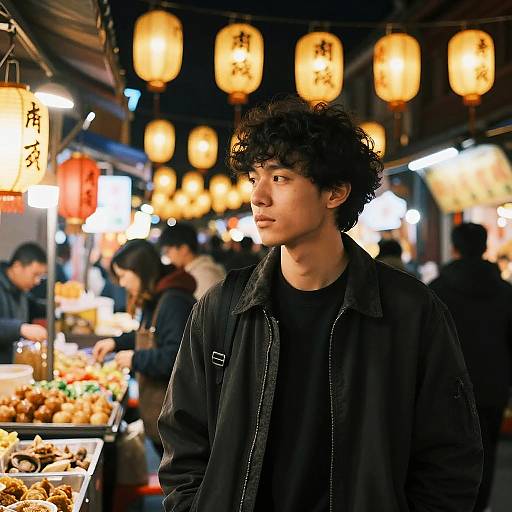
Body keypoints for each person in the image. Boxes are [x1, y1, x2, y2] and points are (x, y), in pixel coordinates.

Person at [158, 97, 483, 512]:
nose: (258, 196)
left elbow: (450, 457)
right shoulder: (224, 306)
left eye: (280, 177)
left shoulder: (409, 311)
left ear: (335, 191)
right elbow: (182, 438)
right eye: (255, 176)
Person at [430, 222, 512, 512]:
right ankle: (481, 505)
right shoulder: (504, 291)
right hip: (493, 384)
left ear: (454, 247)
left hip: (449, 386)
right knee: (487, 450)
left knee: (448, 453)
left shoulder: (437, 290)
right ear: (485, 246)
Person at [92, 240, 196, 453]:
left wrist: (134, 359)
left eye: (123, 275)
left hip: (178, 417)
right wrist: (116, 342)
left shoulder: (173, 301)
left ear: (139, 270)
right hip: (162, 414)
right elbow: (149, 335)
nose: (121, 283)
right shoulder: (157, 297)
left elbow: (175, 358)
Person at [0, 243, 48, 363]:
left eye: (40, 276)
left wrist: (57, 306)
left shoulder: (21, 290)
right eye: (35, 275)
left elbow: (35, 306)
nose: (37, 281)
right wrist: (20, 328)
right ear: (17, 267)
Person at [159, 222, 225, 300]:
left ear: (184, 249)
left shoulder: (203, 275)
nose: (168, 256)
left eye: (168, 251)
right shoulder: (194, 271)